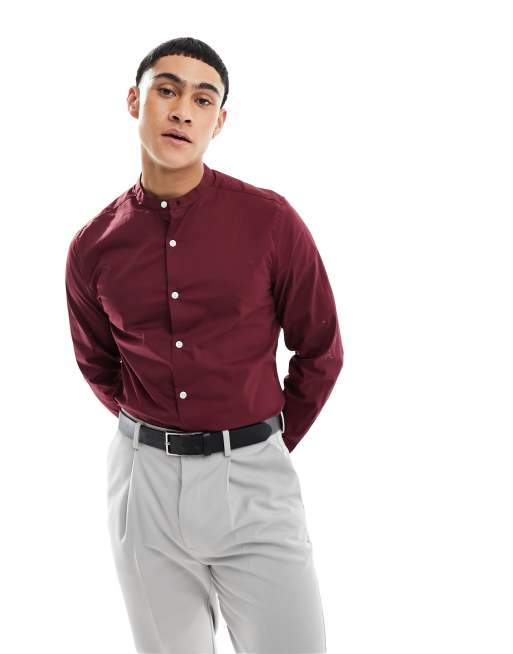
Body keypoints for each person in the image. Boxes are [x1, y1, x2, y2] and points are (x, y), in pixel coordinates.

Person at [65, 36, 344, 654]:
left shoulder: (271, 222)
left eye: (202, 99)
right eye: (167, 91)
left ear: (219, 121)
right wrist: (159, 434)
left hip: (254, 481)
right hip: (144, 487)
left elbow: (321, 350)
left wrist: (262, 442)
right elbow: (98, 364)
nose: (182, 111)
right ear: (135, 100)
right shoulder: (93, 246)